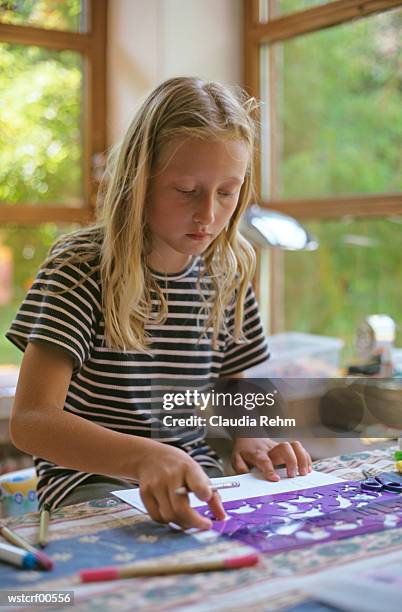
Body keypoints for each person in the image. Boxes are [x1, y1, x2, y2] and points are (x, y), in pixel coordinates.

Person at [7, 77, 312, 530]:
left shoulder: (227, 270)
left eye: (227, 192)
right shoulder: (80, 268)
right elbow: (31, 421)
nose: (208, 215)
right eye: (186, 189)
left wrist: (254, 434)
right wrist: (144, 457)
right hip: (89, 484)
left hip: (195, 473)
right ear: (139, 179)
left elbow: (237, 385)